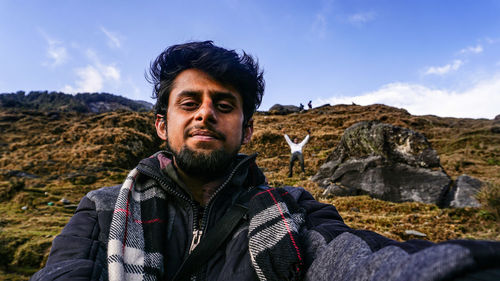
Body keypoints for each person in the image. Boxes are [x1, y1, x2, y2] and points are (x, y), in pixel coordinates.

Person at [32, 41, 500, 281]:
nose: (206, 114)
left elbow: (354, 261)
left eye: (225, 104)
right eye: (189, 102)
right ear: (161, 125)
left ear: (248, 129)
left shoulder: (295, 212)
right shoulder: (100, 210)